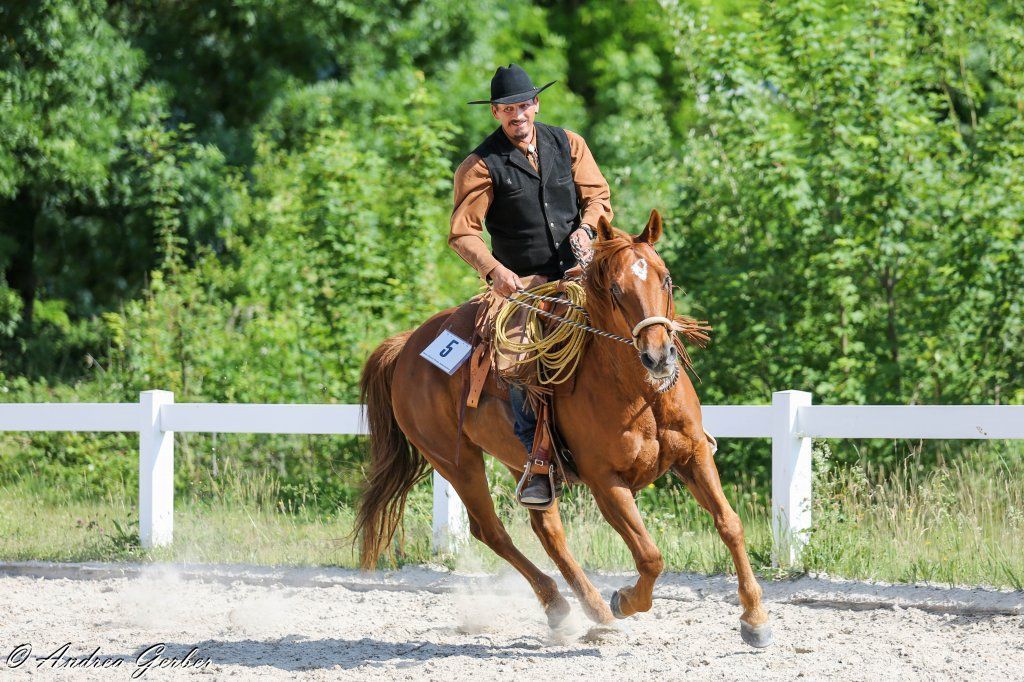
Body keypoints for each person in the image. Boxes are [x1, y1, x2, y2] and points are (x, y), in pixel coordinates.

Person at [448, 63, 614, 506]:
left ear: (536, 104)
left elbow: (597, 196)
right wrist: (495, 272)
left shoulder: (569, 142)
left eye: (523, 105)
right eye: (506, 109)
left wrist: (588, 228)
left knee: (641, 317)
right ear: (495, 115)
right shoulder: (481, 165)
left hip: (581, 274)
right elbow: (464, 233)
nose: (517, 115)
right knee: (517, 358)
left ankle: (676, 423)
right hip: (527, 287)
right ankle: (538, 461)